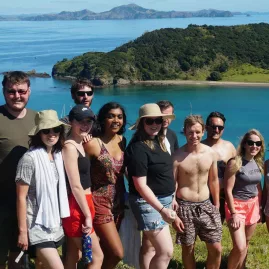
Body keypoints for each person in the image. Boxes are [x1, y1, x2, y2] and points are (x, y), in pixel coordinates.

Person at [16, 110, 69, 269]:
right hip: (35, 225)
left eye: (56, 130)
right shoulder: (29, 159)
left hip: (54, 223)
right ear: (38, 133)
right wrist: (23, 232)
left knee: (41, 265)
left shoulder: (58, 155)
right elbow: (20, 197)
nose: (51, 134)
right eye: (46, 130)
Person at [125, 103, 177, 269]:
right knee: (166, 251)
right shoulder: (138, 148)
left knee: (155, 248)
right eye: (150, 121)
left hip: (164, 201)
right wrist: (162, 210)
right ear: (142, 124)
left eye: (158, 120)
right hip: (150, 204)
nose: (155, 124)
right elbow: (140, 185)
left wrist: (172, 198)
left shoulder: (159, 141)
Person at [173, 115, 222, 269]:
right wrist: (173, 209)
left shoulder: (210, 154)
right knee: (188, 248)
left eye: (197, 132)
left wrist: (217, 204)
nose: (194, 136)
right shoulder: (177, 157)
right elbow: (172, 185)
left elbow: (213, 180)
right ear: (185, 132)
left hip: (206, 205)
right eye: (190, 132)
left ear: (203, 131)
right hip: (185, 207)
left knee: (216, 248)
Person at [0, 71, 36, 269]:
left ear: (29, 91)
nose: (17, 96)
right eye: (11, 91)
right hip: (1, 201)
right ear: (4, 92)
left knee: (18, 256)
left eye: (21, 91)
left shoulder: (37, 119)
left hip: (27, 202)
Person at [83, 102, 126, 269]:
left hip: (118, 201)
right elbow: (81, 173)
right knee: (117, 253)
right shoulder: (93, 143)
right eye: (111, 116)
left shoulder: (123, 140)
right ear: (102, 119)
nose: (116, 120)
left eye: (119, 117)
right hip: (99, 202)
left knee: (106, 251)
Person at [62, 104, 103, 269]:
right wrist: (87, 215)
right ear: (71, 122)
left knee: (74, 254)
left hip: (85, 202)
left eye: (89, 121)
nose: (85, 125)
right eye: (80, 121)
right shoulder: (69, 147)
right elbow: (75, 185)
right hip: (77, 205)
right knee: (96, 257)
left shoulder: (81, 143)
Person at [224, 129, 264, 269]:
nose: (254, 146)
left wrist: (259, 207)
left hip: (253, 205)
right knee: (240, 246)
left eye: (258, 143)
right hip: (237, 205)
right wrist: (233, 213)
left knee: (246, 242)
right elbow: (228, 190)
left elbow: (258, 187)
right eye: (251, 143)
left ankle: (241, 267)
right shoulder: (235, 163)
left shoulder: (258, 163)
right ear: (244, 144)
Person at [202, 111, 236, 222]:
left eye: (220, 128)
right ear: (206, 127)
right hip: (203, 197)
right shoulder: (199, 147)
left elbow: (238, 172)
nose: (216, 130)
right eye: (213, 127)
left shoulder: (229, 147)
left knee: (218, 231)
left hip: (223, 197)